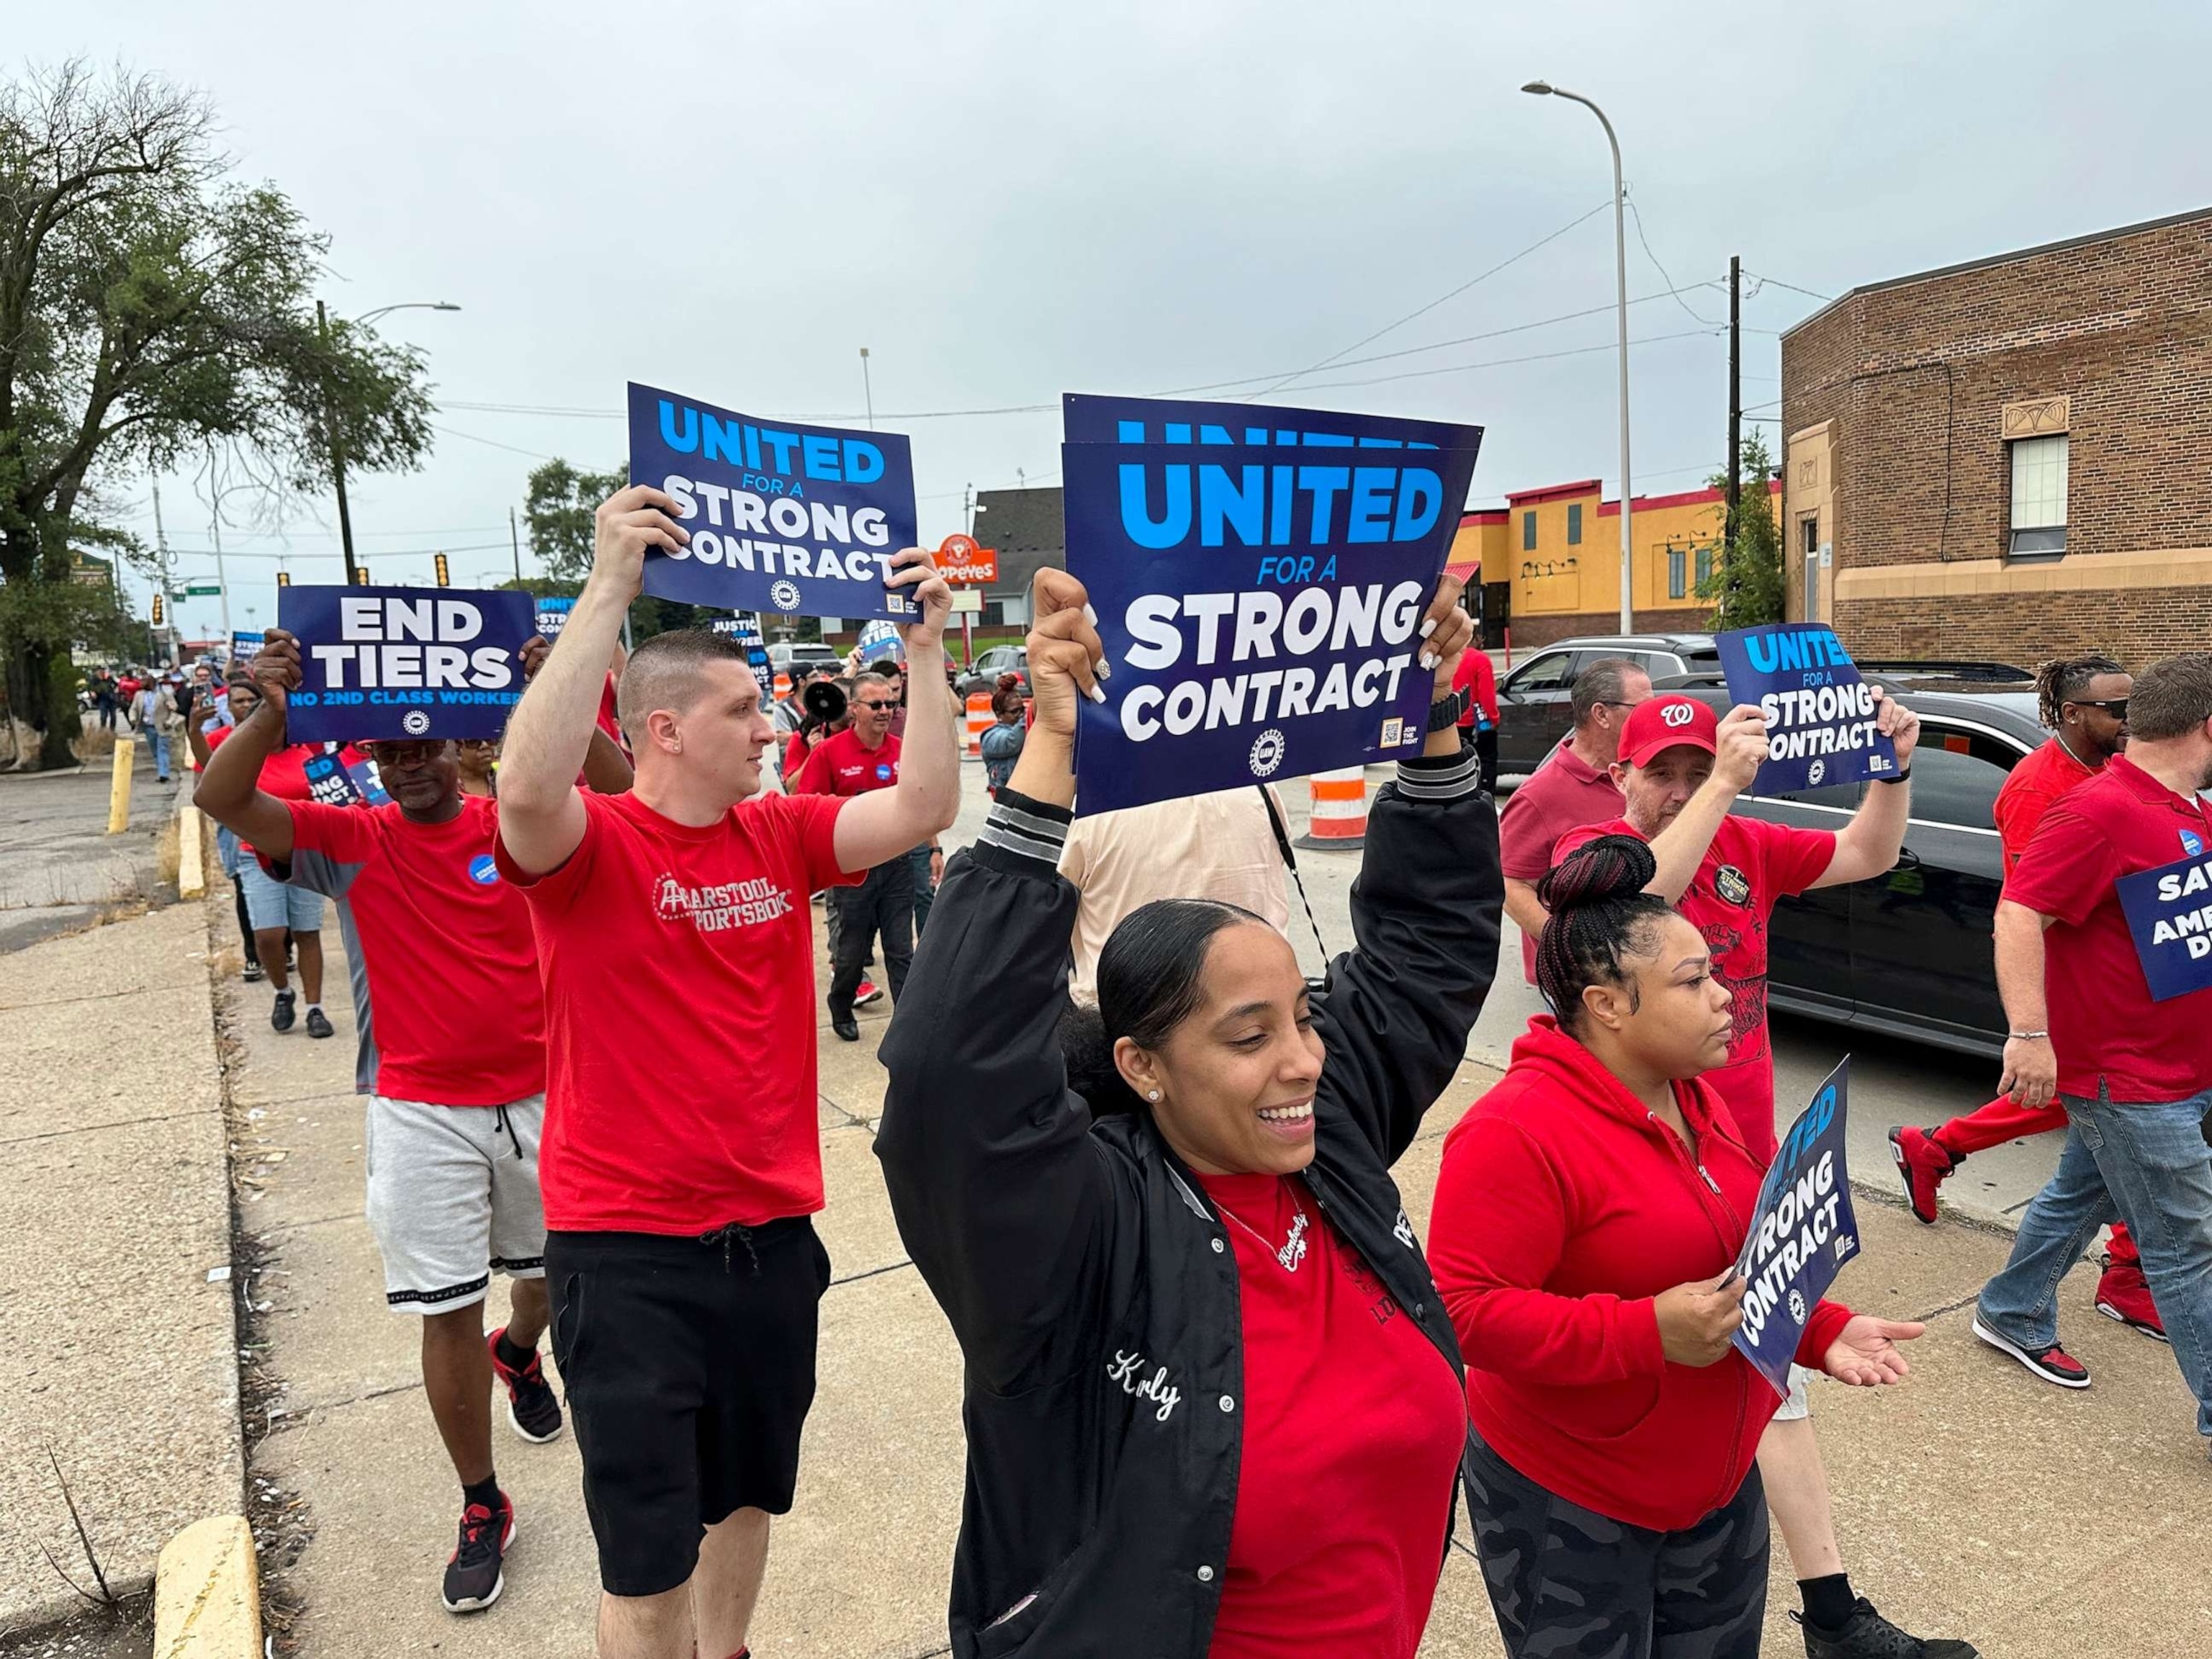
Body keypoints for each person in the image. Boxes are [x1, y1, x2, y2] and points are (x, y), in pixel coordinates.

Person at [877, 568, 1501, 1658]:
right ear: (1144, 1067)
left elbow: (1424, 952)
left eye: (1304, 1019)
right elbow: (947, 1079)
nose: (1305, 1063)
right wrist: (1049, 763)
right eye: (1249, 1038)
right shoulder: (1079, 1231)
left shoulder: (1326, 1136)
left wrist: (1432, 715)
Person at [492, 485, 958, 1659]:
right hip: (626, 1253)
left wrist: (923, 646)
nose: (769, 727)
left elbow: (927, 802)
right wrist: (608, 587)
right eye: (743, 710)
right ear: (665, 730)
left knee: (747, 1498)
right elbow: (525, 790)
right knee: (647, 1560)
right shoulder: (593, 847)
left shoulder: (783, 832)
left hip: (770, 1243)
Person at [194, 626, 629, 1615]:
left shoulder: (515, 823)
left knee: (551, 1284)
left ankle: (518, 1352)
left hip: (544, 1097)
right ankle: (482, 1503)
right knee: (445, 1308)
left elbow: (625, 799)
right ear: (372, 761)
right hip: (419, 1110)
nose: (409, 766)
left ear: (460, 747)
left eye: (424, 748)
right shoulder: (351, 841)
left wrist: (572, 689)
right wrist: (268, 712)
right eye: (390, 752)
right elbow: (223, 802)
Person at [1429, 835, 1934, 1659]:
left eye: (1718, 974)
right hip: (1572, 1501)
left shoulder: (1695, 1096)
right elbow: (1461, 1314)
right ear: (1607, 1004)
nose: (1727, 997)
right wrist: (1641, 1333)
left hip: (1718, 1486)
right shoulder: (1514, 1132)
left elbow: (1739, 1251)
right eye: (1695, 981)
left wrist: (1819, 1326)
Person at [1552, 692, 1972, 1659]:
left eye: (1700, 768)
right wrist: (1724, 788)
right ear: (1619, 776)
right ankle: (1755, 1595)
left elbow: (1865, 855)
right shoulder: (1594, 865)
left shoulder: (1746, 845)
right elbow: (1632, 903)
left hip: (1744, 1166)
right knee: (1692, 1376)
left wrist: (1893, 770)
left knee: (1767, 1371)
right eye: (1663, 770)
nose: (1684, 787)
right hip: (1638, 1168)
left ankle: (1831, 1609)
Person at [1973, 652, 2212, 1444]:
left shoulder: (2182, 807)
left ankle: (2010, 1310)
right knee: (2188, 1246)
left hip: (2181, 1069)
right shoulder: (2094, 812)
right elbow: (2018, 917)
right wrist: (2032, 1036)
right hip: (2131, 1079)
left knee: (2083, 1192)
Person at [1887, 656, 2160, 1334]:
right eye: (2117, 710)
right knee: (2111, 1108)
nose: (2133, 721)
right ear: (2073, 715)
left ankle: (1937, 1147)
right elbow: (2036, 908)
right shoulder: (2038, 788)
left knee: (2109, 1113)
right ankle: (2119, 1273)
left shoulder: (2112, 769)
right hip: (2071, 981)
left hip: (2127, 977)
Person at [1059, 786, 1292, 1006]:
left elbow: (1049, 898)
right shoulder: (1257, 788)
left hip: (1131, 1014)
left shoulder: (1094, 803)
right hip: (1257, 1006)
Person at [1497, 657, 1653, 984]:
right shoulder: (1540, 795)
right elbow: (1511, 886)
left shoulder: (1644, 776)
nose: (1650, 718)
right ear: (1601, 714)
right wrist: (1572, 947)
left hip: (1650, 965)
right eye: (1642, 708)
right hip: (1584, 982)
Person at [796, 669, 923, 1040]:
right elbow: (806, 809)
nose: (885, 711)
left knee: (901, 949)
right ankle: (841, 1003)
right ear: (854, 709)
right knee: (851, 953)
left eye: (891, 703)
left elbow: (919, 805)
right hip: (851, 871)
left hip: (897, 866)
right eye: (876, 704)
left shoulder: (903, 751)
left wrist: (932, 849)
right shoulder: (829, 754)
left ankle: (907, 1025)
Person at [190, 677, 267, 983]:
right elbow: (205, 775)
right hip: (235, 829)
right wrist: (194, 730)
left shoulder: (278, 737)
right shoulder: (219, 740)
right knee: (244, 888)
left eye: (252, 700)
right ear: (229, 706)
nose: (246, 706)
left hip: (271, 822)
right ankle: (253, 953)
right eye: (239, 701)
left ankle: (280, 947)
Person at [1452, 638, 1500, 784]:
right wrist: (1494, 719)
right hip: (1478, 723)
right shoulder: (1480, 660)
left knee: (1458, 765)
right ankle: (1484, 794)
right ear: (1475, 639)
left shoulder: (1449, 658)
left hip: (1453, 724)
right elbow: (1486, 695)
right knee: (1487, 761)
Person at [979, 673, 1026, 795]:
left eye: (1022, 710)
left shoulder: (1023, 729)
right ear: (999, 714)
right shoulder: (990, 737)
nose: (1020, 715)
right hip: (1005, 797)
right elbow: (1011, 742)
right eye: (1015, 711)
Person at [137, 674, 181, 782]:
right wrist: (133, 719)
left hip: (162, 726)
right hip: (148, 727)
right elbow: (134, 708)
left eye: (144, 681)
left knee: (163, 749)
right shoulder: (139, 695)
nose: (141, 683)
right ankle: (161, 769)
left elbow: (174, 710)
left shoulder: (164, 694)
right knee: (155, 751)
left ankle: (163, 774)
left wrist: (169, 722)